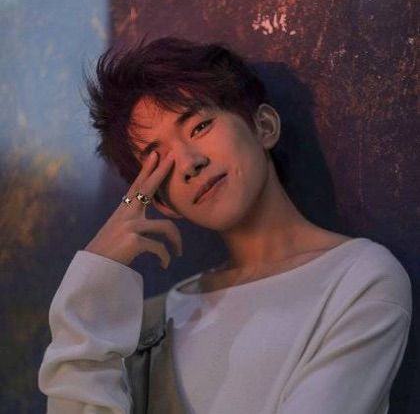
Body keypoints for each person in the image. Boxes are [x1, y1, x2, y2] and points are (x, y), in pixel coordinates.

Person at [38, 36, 412, 413]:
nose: (190, 163)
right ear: (162, 201)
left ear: (263, 125)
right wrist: (97, 272)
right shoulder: (146, 327)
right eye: (159, 159)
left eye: (200, 126)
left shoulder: (359, 279)